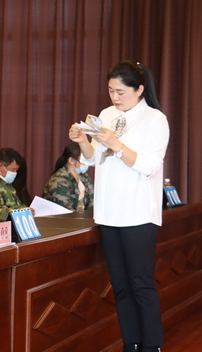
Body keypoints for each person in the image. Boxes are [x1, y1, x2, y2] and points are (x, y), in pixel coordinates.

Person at [69, 61, 168, 352]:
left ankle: (152, 346)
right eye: (111, 90)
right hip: (109, 213)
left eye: (121, 92)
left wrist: (116, 144)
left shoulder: (154, 119)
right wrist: (83, 141)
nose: (115, 97)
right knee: (120, 285)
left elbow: (150, 166)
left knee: (141, 283)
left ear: (140, 89)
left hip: (138, 213)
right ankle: (131, 344)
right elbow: (92, 158)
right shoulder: (107, 115)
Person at [0, 148, 35, 221]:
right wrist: (21, 213)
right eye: (13, 169)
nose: (15, 173)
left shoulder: (3, 181)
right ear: (0, 167)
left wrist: (26, 209)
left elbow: (15, 205)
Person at [42, 142, 94, 211]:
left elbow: (93, 203)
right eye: (83, 160)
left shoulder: (84, 176)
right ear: (71, 160)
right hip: (62, 217)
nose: (87, 163)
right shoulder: (59, 179)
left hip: (80, 217)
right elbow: (66, 211)